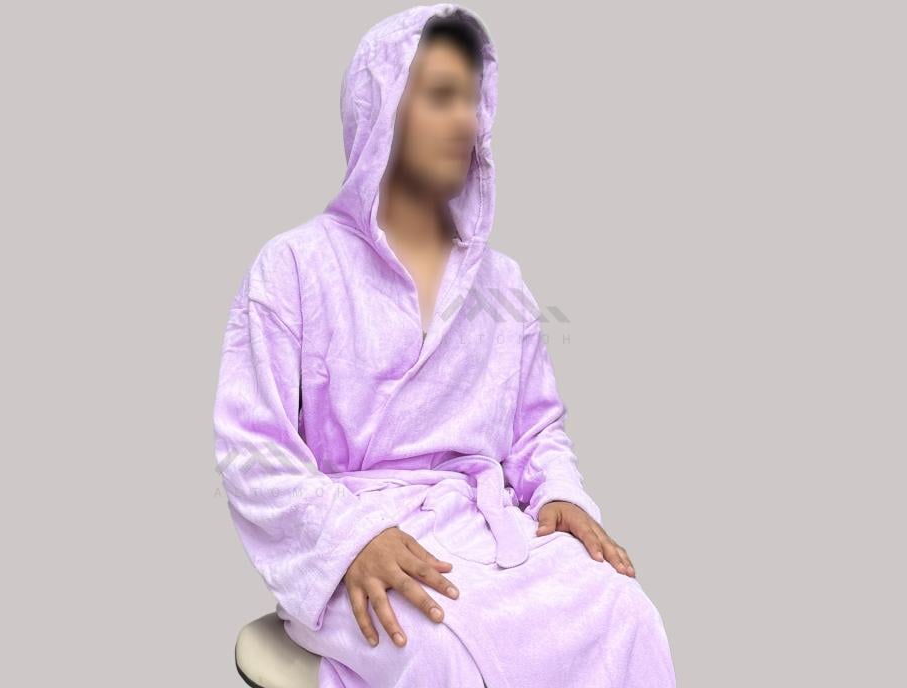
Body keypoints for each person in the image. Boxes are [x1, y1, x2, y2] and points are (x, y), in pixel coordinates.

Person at [213, 4, 677, 686]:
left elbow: (536, 430)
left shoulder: (501, 282)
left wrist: (562, 493)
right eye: (440, 97)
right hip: (355, 549)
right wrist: (349, 541)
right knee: (448, 652)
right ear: (381, 114)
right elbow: (254, 450)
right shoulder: (293, 269)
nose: (468, 120)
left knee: (623, 610)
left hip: (484, 528)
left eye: (472, 99)